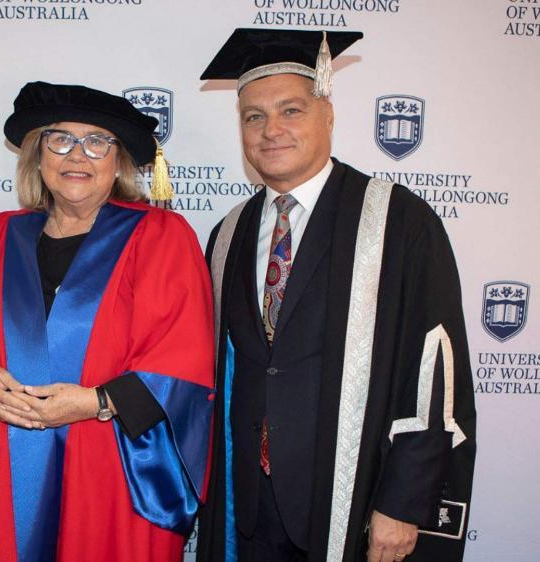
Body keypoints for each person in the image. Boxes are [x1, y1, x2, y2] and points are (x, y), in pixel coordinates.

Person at [194, 29, 476, 562]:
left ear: (328, 113)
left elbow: (433, 372)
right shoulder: (228, 234)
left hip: (354, 500)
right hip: (250, 504)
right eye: (253, 117)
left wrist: (402, 504)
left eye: (291, 110)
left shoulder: (398, 221)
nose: (270, 130)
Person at [0, 81, 214, 562]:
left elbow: (185, 356)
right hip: (17, 452)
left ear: (119, 160)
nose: (77, 155)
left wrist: (95, 401)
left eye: (97, 141)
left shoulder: (161, 236)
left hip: (117, 459)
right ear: (38, 155)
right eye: (59, 139)